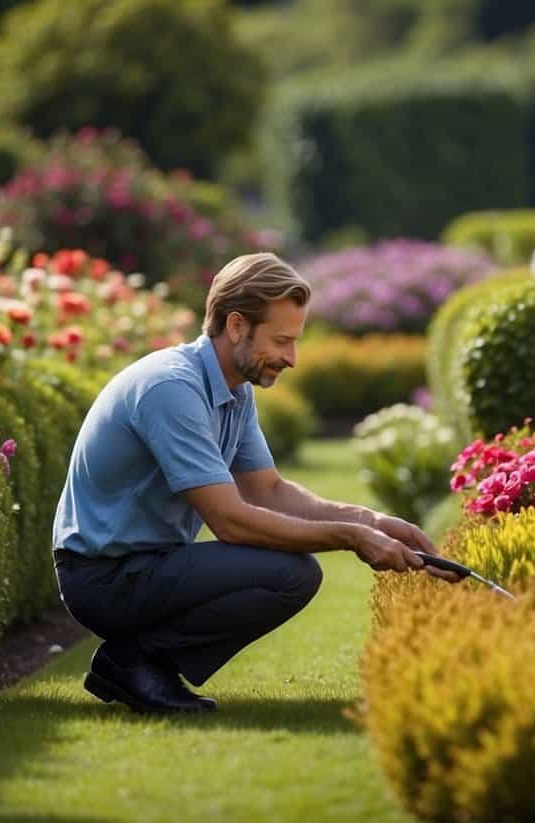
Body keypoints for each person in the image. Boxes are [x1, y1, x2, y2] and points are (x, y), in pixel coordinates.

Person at [51, 252, 461, 714]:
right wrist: (350, 537)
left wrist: (374, 522)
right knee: (289, 575)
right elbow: (230, 521)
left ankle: (136, 662)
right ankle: (136, 662)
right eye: (282, 341)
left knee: (293, 573)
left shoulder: (234, 391)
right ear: (237, 326)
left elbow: (268, 491)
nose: (291, 358)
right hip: (104, 578)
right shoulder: (171, 388)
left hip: (149, 564)